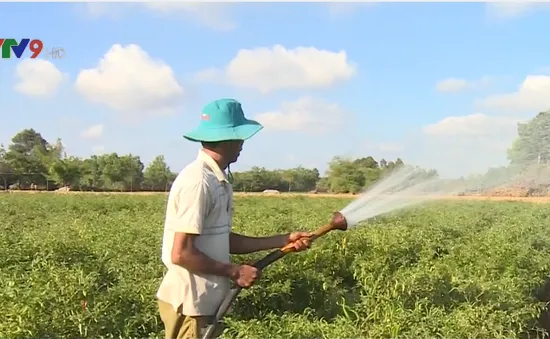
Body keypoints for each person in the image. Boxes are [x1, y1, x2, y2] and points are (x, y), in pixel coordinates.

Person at [156, 98, 313, 339]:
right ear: (228, 139)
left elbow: (222, 240)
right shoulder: (198, 181)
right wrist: (235, 271)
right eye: (240, 137)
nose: (242, 144)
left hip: (204, 303)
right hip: (190, 303)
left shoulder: (216, 179)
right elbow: (181, 253)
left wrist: (284, 240)